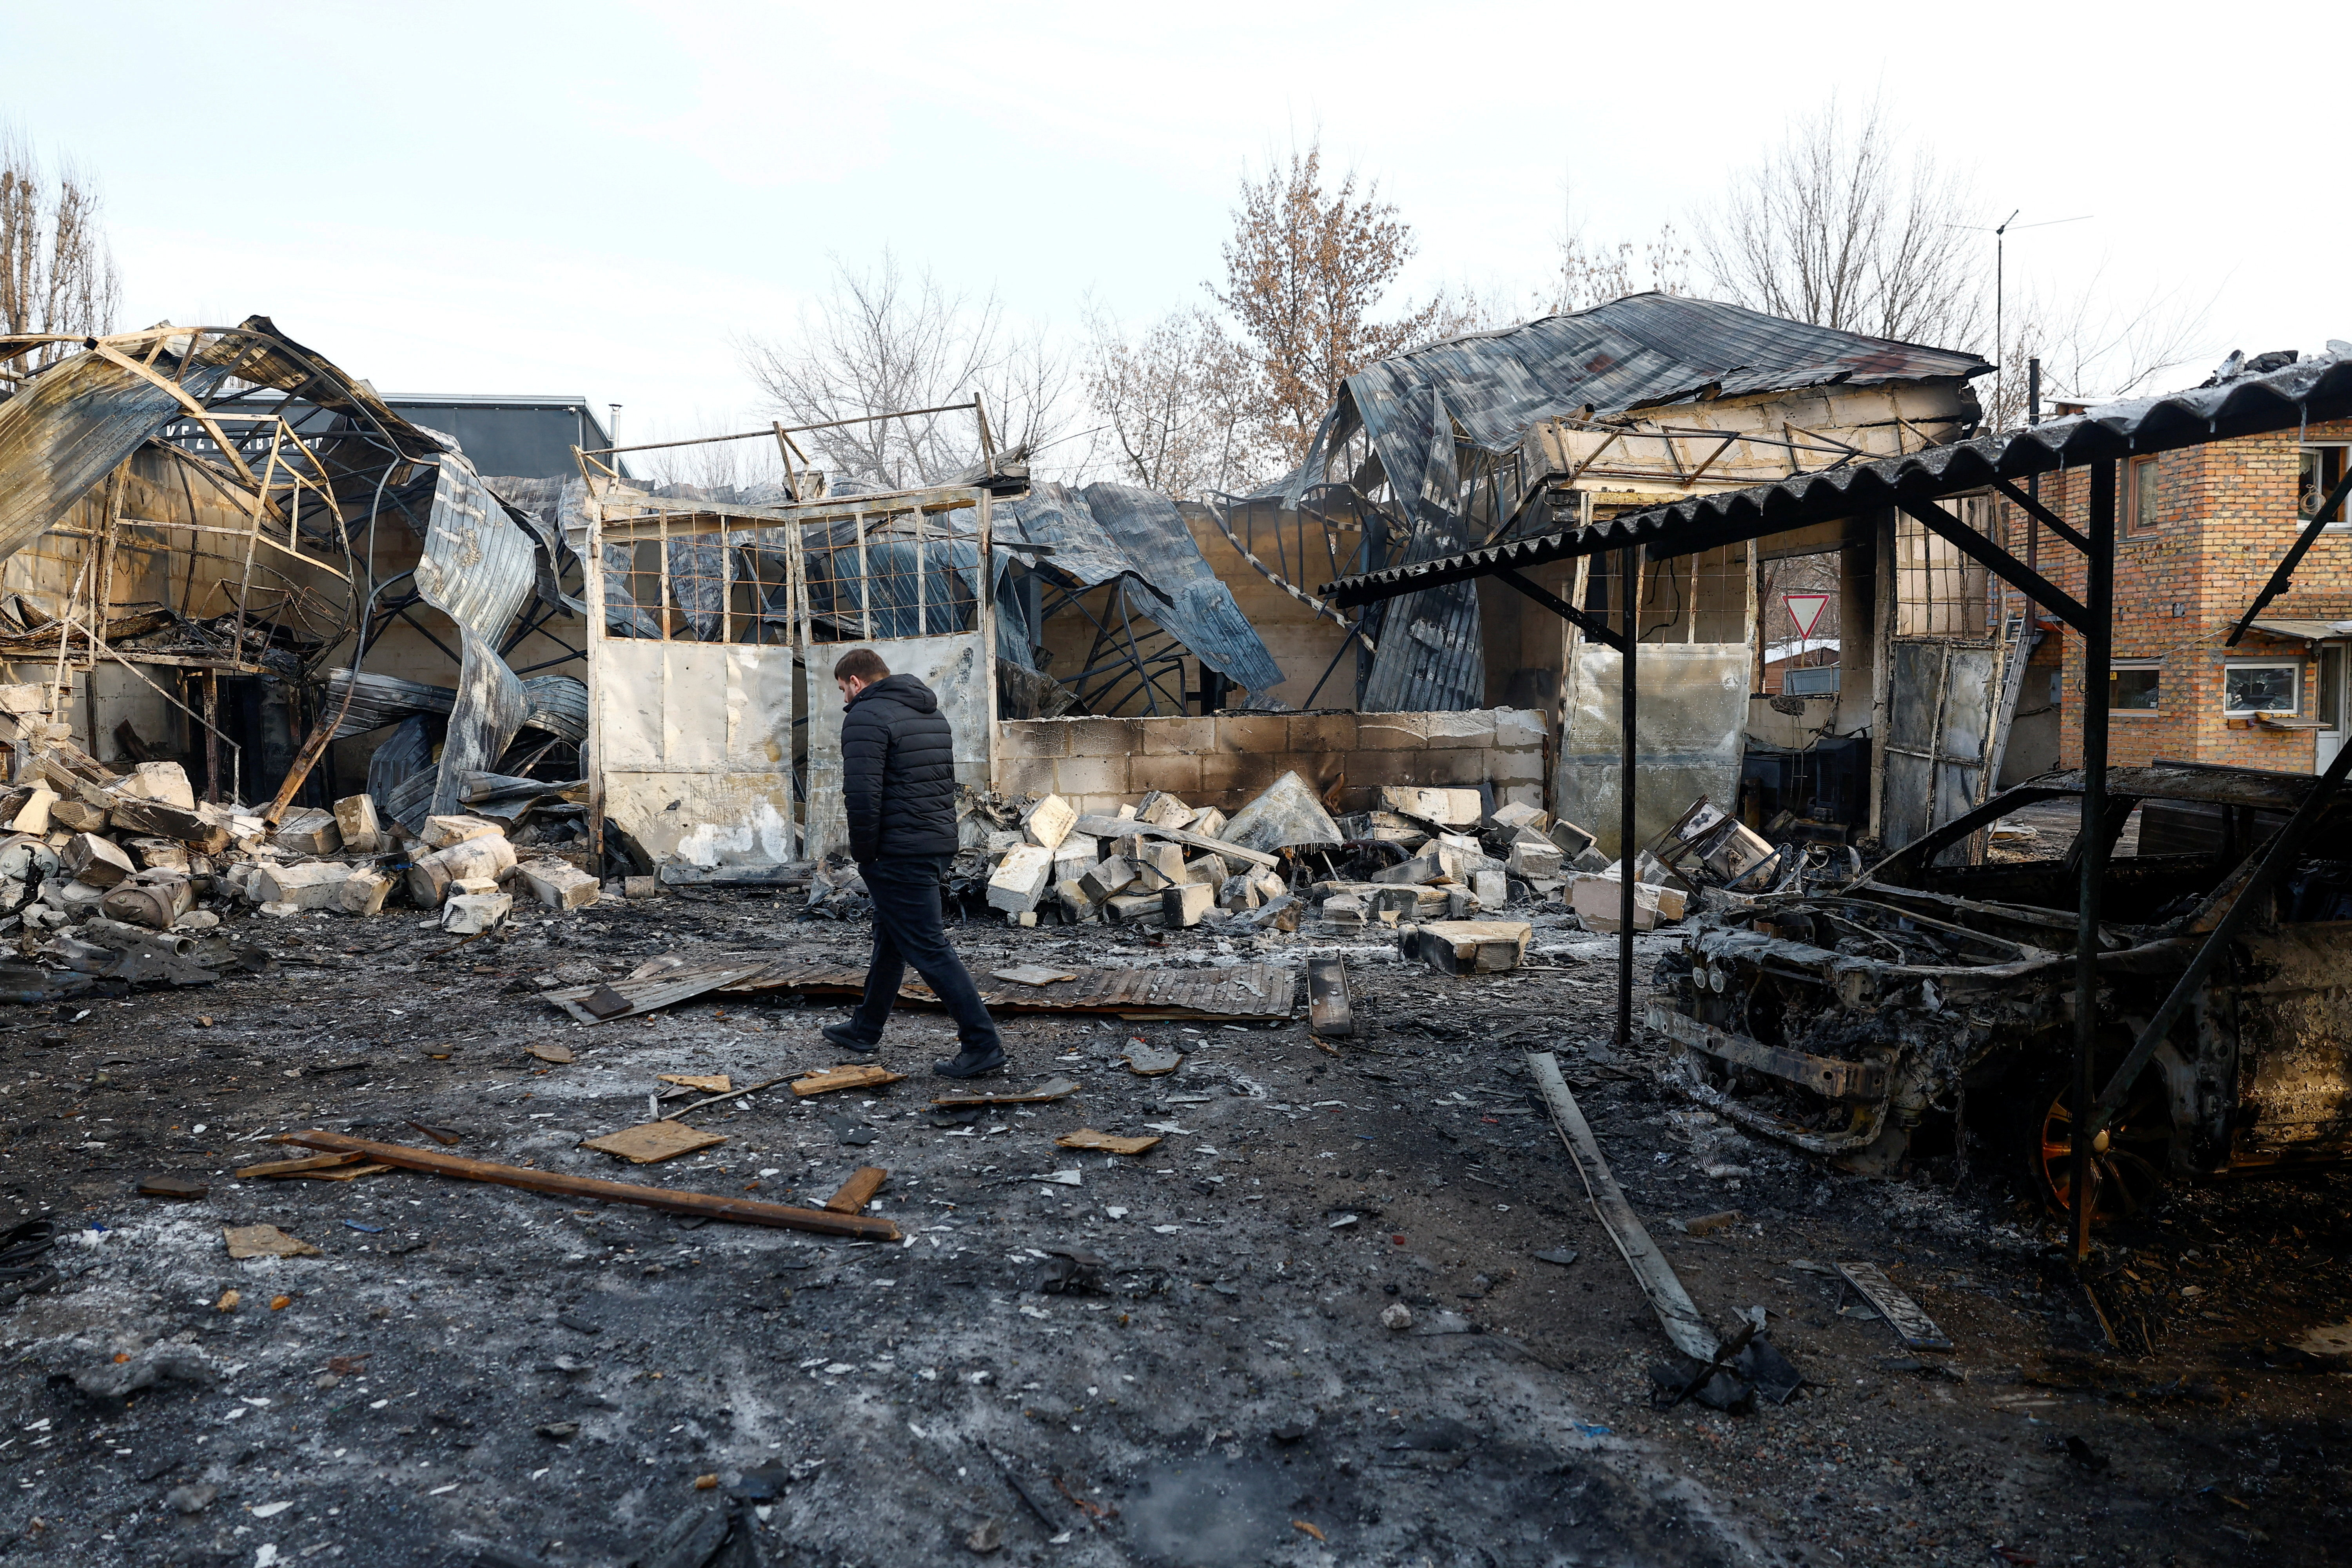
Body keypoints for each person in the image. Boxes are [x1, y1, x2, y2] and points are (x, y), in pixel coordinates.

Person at [824, 648, 1005, 1078]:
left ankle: (982, 1044)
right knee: (892, 938)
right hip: (932, 844)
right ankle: (865, 1028)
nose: (843, 700)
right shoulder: (929, 713)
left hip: (897, 851)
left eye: (842, 690)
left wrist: (866, 854)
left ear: (856, 682)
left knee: (927, 946)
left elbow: (863, 796)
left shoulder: (865, 717)